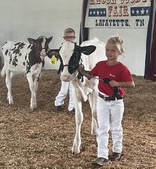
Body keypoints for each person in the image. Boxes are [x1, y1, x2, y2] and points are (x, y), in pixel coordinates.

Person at [79, 36, 135, 166]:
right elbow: (92, 74)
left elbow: (131, 84)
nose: (109, 53)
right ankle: (102, 155)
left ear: (120, 53)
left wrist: (118, 83)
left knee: (116, 127)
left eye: (113, 51)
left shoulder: (122, 68)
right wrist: (81, 70)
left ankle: (117, 150)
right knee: (102, 128)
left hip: (116, 101)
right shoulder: (100, 65)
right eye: (107, 50)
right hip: (102, 100)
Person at [54, 28, 76, 113]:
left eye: (71, 37)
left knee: (72, 89)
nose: (69, 39)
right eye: (67, 37)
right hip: (64, 71)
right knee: (64, 89)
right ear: (64, 38)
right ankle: (57, 103)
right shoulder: (61, 48)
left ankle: (71, 108)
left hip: (73, 72)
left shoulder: (76, 48)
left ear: (74, 37)